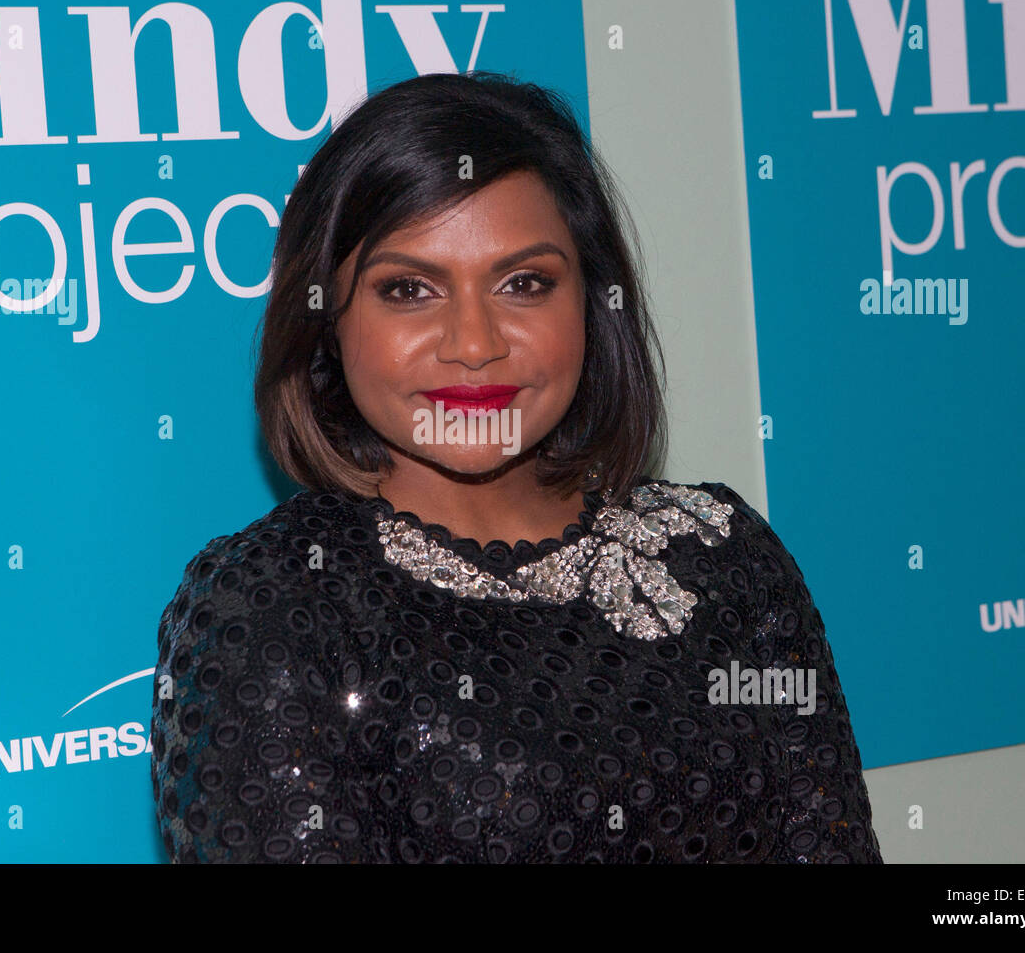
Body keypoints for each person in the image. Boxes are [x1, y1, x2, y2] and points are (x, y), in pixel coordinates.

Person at [150, 71, 883, 863]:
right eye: (409, 289)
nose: (475, 342)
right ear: (328, 323)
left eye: (524, 283)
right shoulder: (274, 603)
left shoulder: (729, 557)